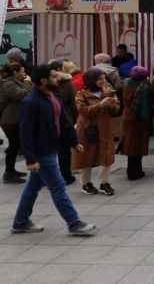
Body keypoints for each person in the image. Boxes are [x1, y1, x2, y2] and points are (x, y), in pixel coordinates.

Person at [11, 64, 96, 237]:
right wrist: (30, 159)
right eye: (54, 77)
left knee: (33, 187)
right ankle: (74, 223)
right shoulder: (31, 102)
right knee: (58, 186)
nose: (58, 79)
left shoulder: (52, 96)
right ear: (43, 81)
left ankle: (20, 222)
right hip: (41, 153)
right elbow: (25, 133)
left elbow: (64, 120)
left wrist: (74, 141)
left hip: (51, 148)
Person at [71, 67, 120, 196]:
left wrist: (114, 103)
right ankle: (86, 183)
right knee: (87, 156)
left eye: (104, 78)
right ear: (91, 80)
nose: (102, 81)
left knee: (107, 155)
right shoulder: (81, 94)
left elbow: (115, 111)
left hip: (105, 128)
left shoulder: (107, 91)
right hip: (88, 129)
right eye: (99, 79)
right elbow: (84, 111)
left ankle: (104, 183)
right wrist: (101, 105)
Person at [0, 63, 33, 183]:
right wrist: (28, 83)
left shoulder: (14, 82)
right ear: (15, 73)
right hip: (10, 120)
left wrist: (28, 84)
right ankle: (8, 174)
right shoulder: (8, 84)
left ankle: (11, 170)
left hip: (15, 118)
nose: (24, 74)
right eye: (22, 71)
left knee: (15, 145)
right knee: (14, 146)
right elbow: (22, 95)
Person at [120, 66, 151, 181]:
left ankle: (131, 170)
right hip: (138, 120)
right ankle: (135, 171)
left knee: (130, 145)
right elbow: (144, 107)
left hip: (127, 117)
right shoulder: (144, 87)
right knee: (138, 146)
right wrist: (147, 120)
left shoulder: (126, 83)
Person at [52, 61, 78, 184]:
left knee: (49, 151)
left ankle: (50, 177)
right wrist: (75, 119)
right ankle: (66, 176)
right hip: (65, 120)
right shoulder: (67, 83)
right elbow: (73, 103)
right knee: (64, 151)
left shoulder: (45, 83)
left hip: (49, 121)